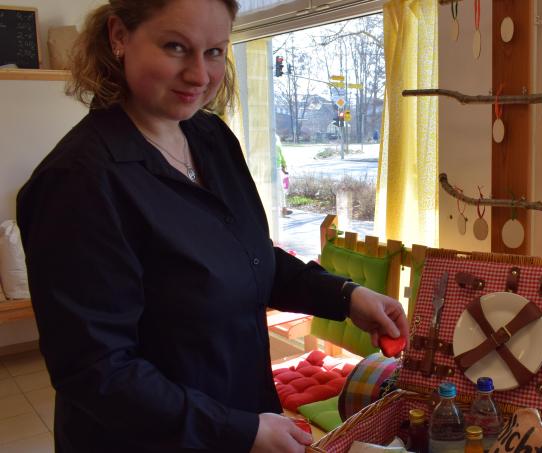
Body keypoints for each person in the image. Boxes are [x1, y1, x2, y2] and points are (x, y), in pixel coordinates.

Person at [15, 1, 408, 452]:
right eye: (175, 47)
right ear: (119, 36)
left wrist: (345, 296)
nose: (199, 75)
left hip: (241, 415)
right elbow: (96, 372)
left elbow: (246, 256)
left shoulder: (210, 137)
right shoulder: (78, 181)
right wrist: (239, 431)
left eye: (215, 51)